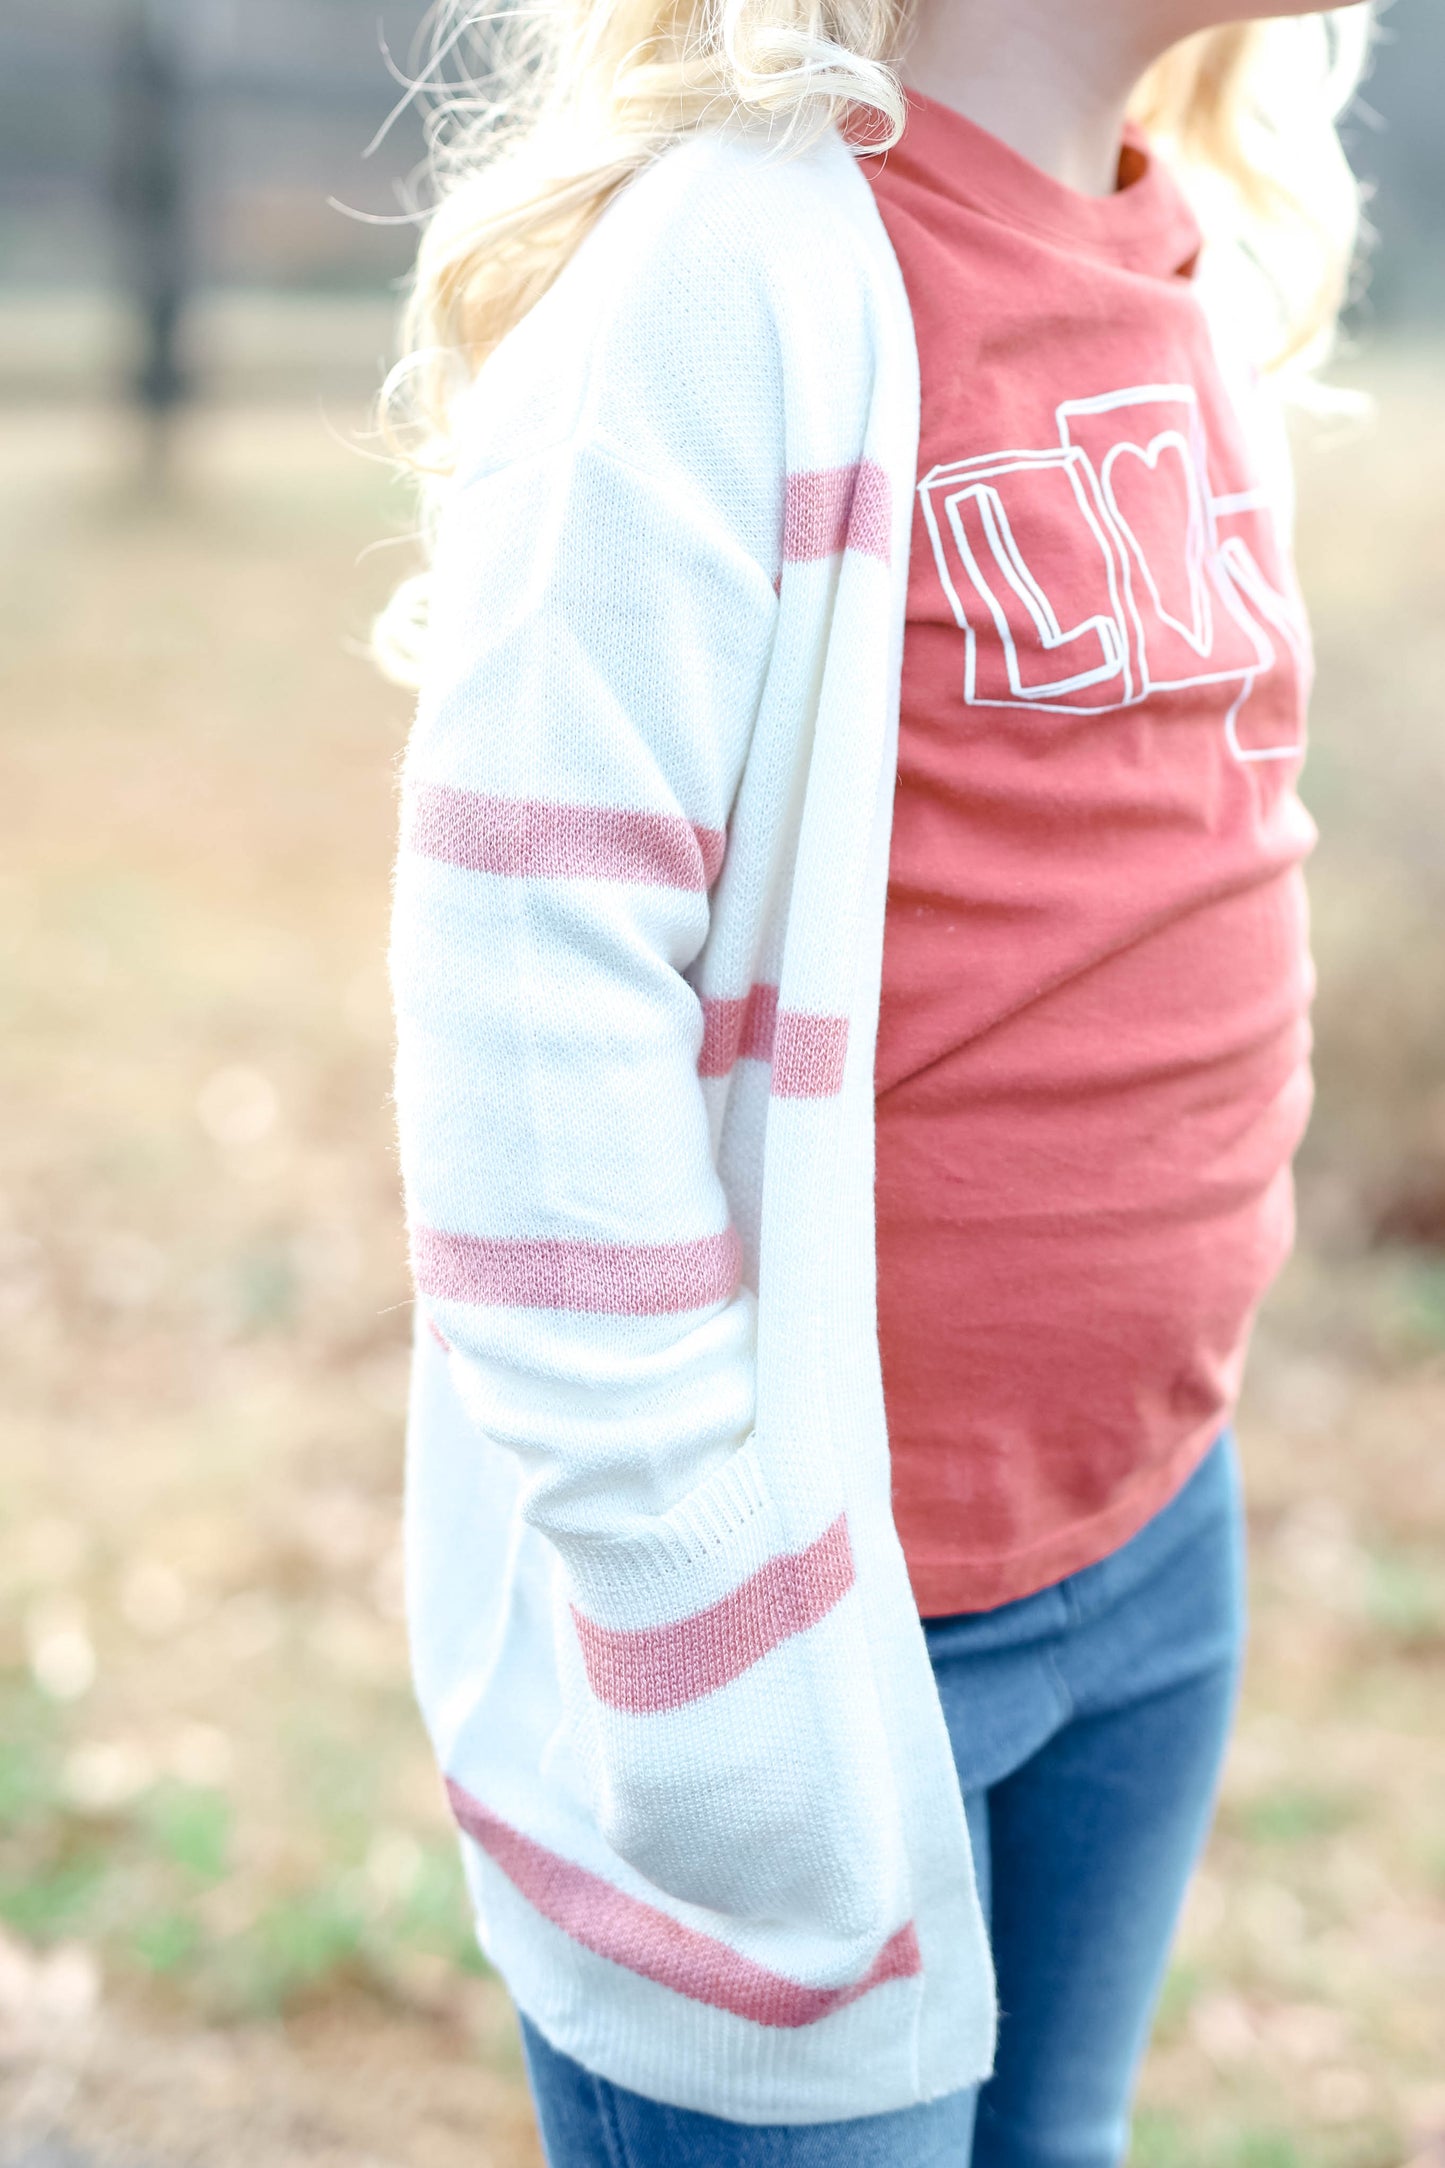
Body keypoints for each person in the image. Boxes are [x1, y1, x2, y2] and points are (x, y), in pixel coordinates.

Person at [380, 1, 1371, 2160]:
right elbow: (527, 995)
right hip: (800, 1631)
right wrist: (700, 1633)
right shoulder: (725, 278)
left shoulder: (1169, 258)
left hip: (1141, 1547)